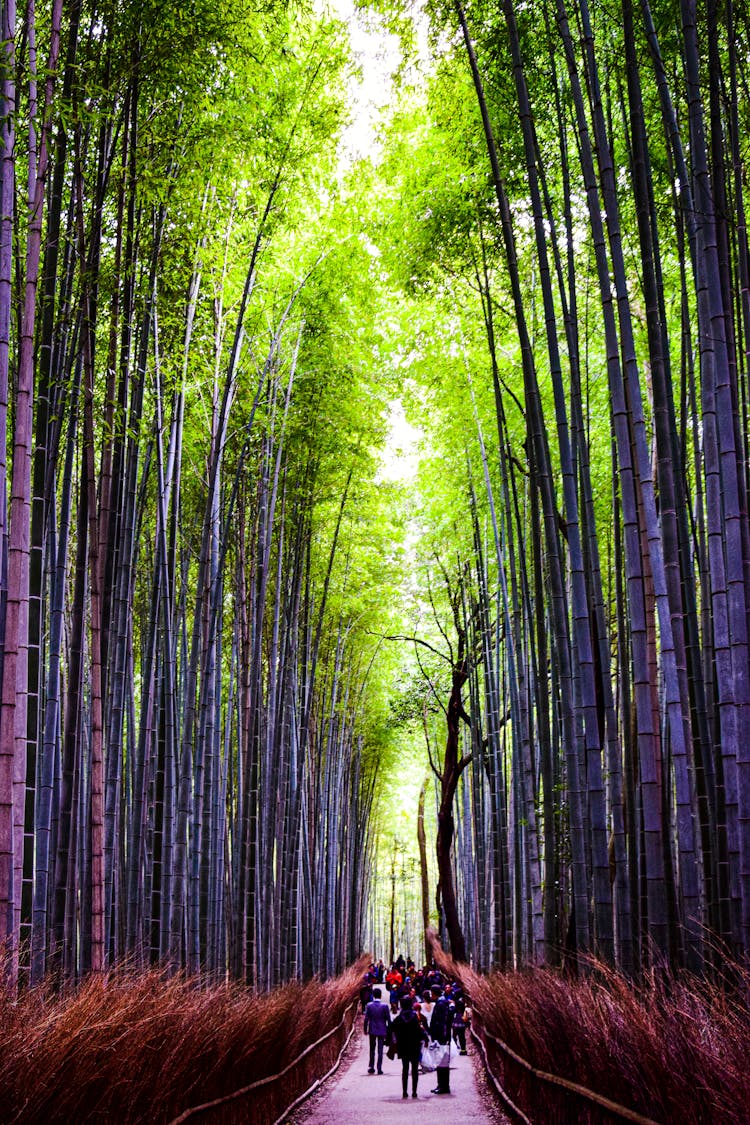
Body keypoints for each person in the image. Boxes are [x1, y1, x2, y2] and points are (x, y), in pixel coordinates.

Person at [391, 995, 428, 1099]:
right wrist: (425, 1038)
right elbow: (419, 1030)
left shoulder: (398, 1018)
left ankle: (404, 1092)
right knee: (415, 1069)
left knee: (405, 1068)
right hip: (415, 1045)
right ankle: (414, 1092)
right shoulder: (415, 1017)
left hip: (403, 1046)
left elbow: (392, 1028)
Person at [429, 987, 454, 1094]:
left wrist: (439, 1037)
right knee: (441, 1062)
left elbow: (441, 1022)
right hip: (442, 1037)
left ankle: (443, 1086)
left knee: (441, 1062)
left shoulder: (441, 1004)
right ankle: (441, 1085)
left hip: (441, 1038)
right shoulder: (443, 1002)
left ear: (434, 993)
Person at [363, 987, 392, 1075]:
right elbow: (388, 1020)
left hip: (372, 1029)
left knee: (372, 1049)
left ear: (373, 995)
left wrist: (365, 1029)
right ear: (381, 995)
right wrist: (389, 1031)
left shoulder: (369, 1005)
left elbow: (366, 1019)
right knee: (380, 1049)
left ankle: (371, 1066)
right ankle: (379, 1068)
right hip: (382, 1029)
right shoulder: (385, 1006)